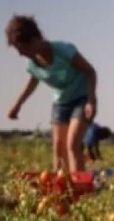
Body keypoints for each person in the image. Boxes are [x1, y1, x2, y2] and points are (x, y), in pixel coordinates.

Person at [5, 15, 98, 174]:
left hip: (81, 98)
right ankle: (60, 189)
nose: (20, 54)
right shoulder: (31, 63)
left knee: (72, 144)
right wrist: (17, 105)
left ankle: (80, 189)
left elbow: (90, 72)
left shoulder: (63, 50)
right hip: (61, 102)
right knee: (58, 148)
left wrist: (90, 100)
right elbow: (32, 82)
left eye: (22, 48)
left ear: (34, 40)